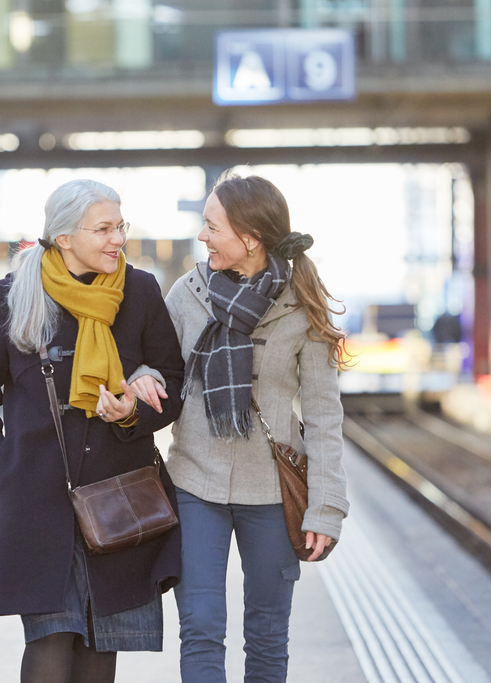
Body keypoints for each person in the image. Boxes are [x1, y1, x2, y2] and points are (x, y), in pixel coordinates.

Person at [0, 179, 185, 683]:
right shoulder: (13, 298)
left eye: (120, 226)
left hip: (118, 496)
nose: (116, 239)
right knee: (50, 639)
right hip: (38, 501)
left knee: (102, 647)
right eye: (103, 228)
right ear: (64, 237)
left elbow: (175, 385)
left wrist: (130, 412)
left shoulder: (139, 292)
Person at [162, 173, 350, 683]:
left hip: (271, 491)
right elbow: (156, 368)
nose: (203, 237)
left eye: (212, 226)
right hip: (194, 483)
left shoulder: (300, 305)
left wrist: (326, 507)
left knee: (267, 633)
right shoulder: (187, 294)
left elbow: (324, 414)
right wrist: (138, 377)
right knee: (200, 627)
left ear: (250, 238)